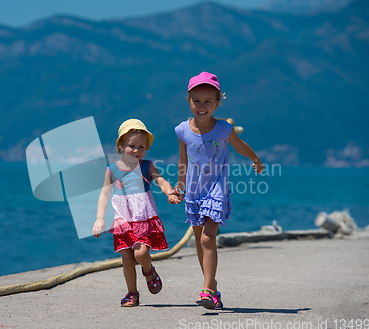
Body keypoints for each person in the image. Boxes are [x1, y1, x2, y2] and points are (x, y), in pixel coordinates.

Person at [170, 71, 264, 310]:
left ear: (217, 103)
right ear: (188, 101)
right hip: (193, 191)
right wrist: (180, 187)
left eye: (208, 101)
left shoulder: (223, 129)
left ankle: (208, 289)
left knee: (207, 238)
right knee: (201, 243)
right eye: (196, 101)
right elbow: (184, 162)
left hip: (216, 190)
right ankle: (211, 287)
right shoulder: (182, 130)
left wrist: (255, 158)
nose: (202, 106)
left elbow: (239, 145)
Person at [92, 119, 179, 307]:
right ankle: (132, 293)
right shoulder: (112, 170)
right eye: (131, 146)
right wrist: (100, 218)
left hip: (142, 217)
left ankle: (149, 271)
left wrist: (170, 192)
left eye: (141, 147)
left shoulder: (147, 166)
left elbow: (161, 181)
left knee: (140, 254)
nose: (136, 151)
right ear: (121, 146)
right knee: (127, 259)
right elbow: (104, 194)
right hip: (122, 220)